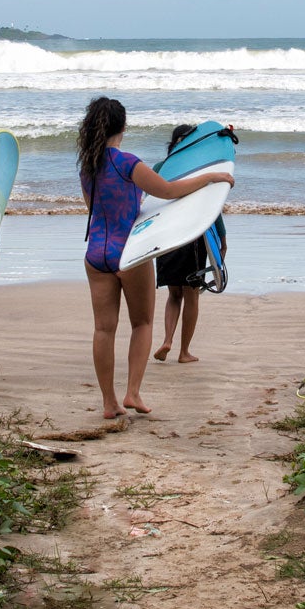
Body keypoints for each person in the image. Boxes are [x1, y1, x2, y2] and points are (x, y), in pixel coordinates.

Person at [78, 97, 233, 420]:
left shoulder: (88, 167)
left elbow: (96, 207)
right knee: (142, 322)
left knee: (103, 329)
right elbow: (168, 190)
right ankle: (132, 392)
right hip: (129, 253)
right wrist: (210, 178)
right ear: (122, 126)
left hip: (96, 254)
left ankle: (109, 403)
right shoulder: (128, 163)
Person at [154, 124, 216, 363]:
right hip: (192, 237)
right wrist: (221, 239)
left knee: (173, 294)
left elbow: (149, 205)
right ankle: (184, 352)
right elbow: (212, 208)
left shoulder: (160, 168)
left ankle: (167, 340)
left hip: (167, 237)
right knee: (192, 295)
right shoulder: (198, 170)